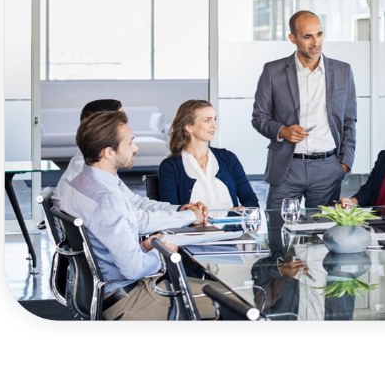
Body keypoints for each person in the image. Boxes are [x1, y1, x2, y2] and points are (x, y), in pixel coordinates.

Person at [59, 110, 216, 320]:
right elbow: (133, 269)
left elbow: (109, 241)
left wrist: (145, 245)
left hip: (110, 293)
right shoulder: (107, 199)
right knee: (232, 301)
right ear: (108, 152)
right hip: (130, 300)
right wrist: (164, 252)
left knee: (214, 290)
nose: (136, 148)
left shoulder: (80, 183)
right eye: (130, 143)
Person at [252, 10, 357, 212]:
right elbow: (259, 117)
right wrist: (282, 130)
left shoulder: (343, 71)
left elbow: (349, 120)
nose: (316, 42)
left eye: (319, 34)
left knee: (322, 236)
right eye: (308, 36)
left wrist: (344, 163)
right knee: (277, 230)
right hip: (287, 166)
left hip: (328, 167)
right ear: (293, 38)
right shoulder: (273, 71)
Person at [54, 98, 205, 234]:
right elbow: (135, 221)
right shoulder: (89, 176)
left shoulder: (96, 167)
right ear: (104, 129)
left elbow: (135, 202)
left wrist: (179, 209)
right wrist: (188, 216)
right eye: (122, 121)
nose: (127, 127)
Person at [158, 99, 259, 210]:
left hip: (231, 227)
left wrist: (240, 211)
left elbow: (251, 201)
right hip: (195, 227)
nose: (214, 125)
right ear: (189, 127)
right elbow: (171, 211)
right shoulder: (170, 166)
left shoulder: (228, 158)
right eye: (207, 120)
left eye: (214, 119)